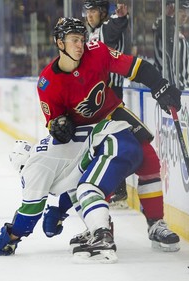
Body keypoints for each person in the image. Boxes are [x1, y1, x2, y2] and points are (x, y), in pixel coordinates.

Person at [37, 17, 182, 256]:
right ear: (59, 43)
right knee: (89, 180)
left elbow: (137, 67)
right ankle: (99, 227)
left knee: (149, 160)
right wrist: (59, 126)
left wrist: (160, 86)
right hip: (85, 132)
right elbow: (53, 123)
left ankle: (156, 224)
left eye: (81, 39)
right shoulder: (47, 83)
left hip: (114, 115)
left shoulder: (98, 51)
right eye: (73, 40)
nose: (80, 45)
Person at [0, 118, 143, 264]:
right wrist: (60, 210)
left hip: (113, 143)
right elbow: (72, 183)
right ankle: (97, 230)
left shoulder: (33, 166)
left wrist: (12, 235)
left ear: (21, 165)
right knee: (80, 189)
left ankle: (102, 237)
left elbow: (31, 210)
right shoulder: (45, 155)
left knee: (88, 189)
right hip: (119, 141)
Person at [82, 0, 129, 207]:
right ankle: (112, 188)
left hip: (111, 95)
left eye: (93, 11)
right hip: (98, 96)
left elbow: (117, 25)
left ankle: (118, 189)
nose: (89, 15)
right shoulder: (93, 33)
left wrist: (120, 15)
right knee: (102, 141)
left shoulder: (107, 28)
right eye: (87, 11)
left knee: (113, 141)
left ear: (102, 13)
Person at [152, 0, 189, 90]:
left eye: (187, 11)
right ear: (171, 8)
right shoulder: (160, 25)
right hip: (168, 86)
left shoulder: (175, 29)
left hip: (184, 84)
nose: (185, 15)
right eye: (181, 10)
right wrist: (168, 17)